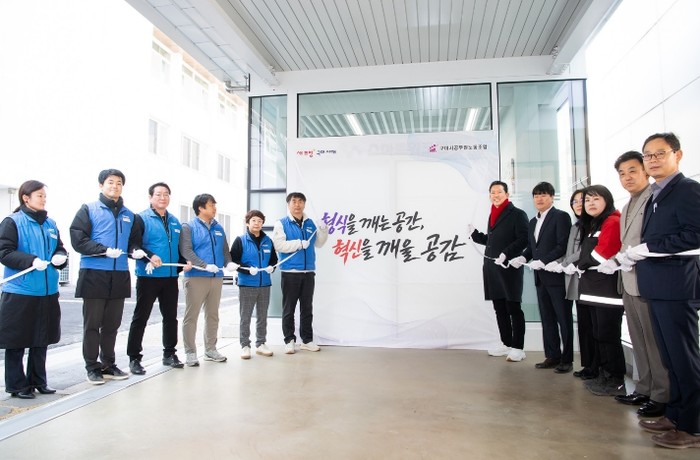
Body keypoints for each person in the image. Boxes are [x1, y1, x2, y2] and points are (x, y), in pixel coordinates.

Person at [628, 133, 700, 449]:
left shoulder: (687, 190)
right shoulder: (658, 193)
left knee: (684, 359)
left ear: (677, 155)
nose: (653, 160)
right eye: (648, 155)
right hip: (657, 286)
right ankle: (676, 414)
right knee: (670, 358)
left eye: (660, 153)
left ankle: (693, 427)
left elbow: (695, 234)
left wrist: (649, 248)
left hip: (677, 286)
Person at [70, 169, 143, 385]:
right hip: (94, 273)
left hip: (119, 273)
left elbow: (134, 241)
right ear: (101, 185)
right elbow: (78, 239)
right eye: (110, 182)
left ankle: (108, 364)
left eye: (119, 183)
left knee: (112, 325)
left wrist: (136, 251)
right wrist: (103, 250)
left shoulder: (130, 215)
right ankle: (92, 367)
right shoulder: (88, 209)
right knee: (92, 324)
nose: (115, 186)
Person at [611, 151, 669, 417]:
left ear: (645, 170)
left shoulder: (654, 199)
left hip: (648, 281)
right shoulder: (627, 205)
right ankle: (644, 388)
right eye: (622, 173)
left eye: (632, 170)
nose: (627, 177)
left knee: (654, 342)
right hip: (628, 280)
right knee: (638, 338)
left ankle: (661, 394)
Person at [0, 180, 67, 399]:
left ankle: (38, 380)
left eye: (44, 196)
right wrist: (31, 260)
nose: (44, 199)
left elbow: (59, 248)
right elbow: (4, 252)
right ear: (25, 198)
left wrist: (61, 257)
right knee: (17, 340)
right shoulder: (13, 222)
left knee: (41, 339)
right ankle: (17, 385)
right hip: (21, 290)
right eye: (39, 195)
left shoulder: (50, 224)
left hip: (47, 290)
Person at [127, 182, 191, 375]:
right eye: (158, 194)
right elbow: (133, 246)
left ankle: (169, 354)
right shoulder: (140, 218)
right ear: (150, 197)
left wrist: (184, 262)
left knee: (171, 317)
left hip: (170, 277)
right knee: (141, 317)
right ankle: (134, 358)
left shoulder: (174, 222)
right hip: (149, 276)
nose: (163, 197)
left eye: (166, 194)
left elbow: (177, 249)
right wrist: (149, 255)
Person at [510, 182, 573, 373]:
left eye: (544, 195)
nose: (539, 198)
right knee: (547, 318)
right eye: (536, 195)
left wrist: (543, 261)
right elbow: (532, 247)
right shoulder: (532, 222)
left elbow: (562, 245)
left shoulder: (560, 217)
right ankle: (552, 356)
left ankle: (567, 359)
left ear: (552, 197)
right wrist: (523, 257)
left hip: (556, 277)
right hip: (540, 278)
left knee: (564, 319)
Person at [470, 180, 529, 362]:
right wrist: (475, 235)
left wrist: (506, 253)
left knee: (513, 307)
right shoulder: (492, 215)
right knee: (499, 308)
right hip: (492, 268)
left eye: (499, 192)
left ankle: (518, 348)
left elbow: (524, 239)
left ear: (507, 194)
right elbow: (493, 240)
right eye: (492, 192)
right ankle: (507, 343)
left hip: (508, 267)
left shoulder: (517, 214)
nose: (495, 195)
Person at [574, 185, 624, 397]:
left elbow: (601, 254)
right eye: (587, 200)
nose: (590, 203)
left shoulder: (612, 221)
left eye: (596, 199)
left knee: (608, 335)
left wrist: (580, 264)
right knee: (599, 334)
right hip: (593, 288)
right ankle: (603, 374)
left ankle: (615, 379)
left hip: (607, 291)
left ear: (607, 200)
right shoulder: (595, 224)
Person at [179, 193, 236, 367]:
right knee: (192, 316)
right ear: (201, 208)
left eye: (214, 205)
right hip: (196, 277)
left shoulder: (218, 228)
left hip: (216, 277)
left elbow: (225, 250)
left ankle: (210, 349)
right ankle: (190, 352)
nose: (214, 208)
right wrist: (204, 265)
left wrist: (228, 262)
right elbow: (186, 251)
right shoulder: (188, 227)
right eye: (211, 205)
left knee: (213, 315)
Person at [547, 189, 597, 380]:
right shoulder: (576, 226)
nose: (578, 204)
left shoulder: (593, 225)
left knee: (593, 327)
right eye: (574, 201)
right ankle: (588, 366)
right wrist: (559, 262)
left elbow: (584, 251)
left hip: (590, 282)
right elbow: (569, 251)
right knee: (584, 326)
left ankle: (596, 368)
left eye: (582, 200)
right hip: (576, 281)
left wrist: (565, 263)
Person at [272, 192, 328, 354]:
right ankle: (289, 340)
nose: (297, 204)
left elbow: (319, 243)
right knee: (289, 309)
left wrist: (323, 230)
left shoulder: (310, 223)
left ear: (304, 204)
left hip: (308, 272)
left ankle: (307, 340)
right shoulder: (281, 223)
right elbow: (278, 245)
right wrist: (298, 244)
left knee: (307, 308)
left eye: (300, 201)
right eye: (294, 201)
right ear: (288, 204)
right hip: (290, 272)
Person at [230, 210, 278, 359]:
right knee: (245, 316)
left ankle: (261, 343)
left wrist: (272, 267)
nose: (257, 223)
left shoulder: (268, 241)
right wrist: (246, 269)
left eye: (260, 221)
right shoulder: (240, 240)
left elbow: (274, 260)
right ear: (247, 223)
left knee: (262, 316)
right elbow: (233, 261)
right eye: (254, 220)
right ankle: (245, 345)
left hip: (265, 285)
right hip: (247, 284)